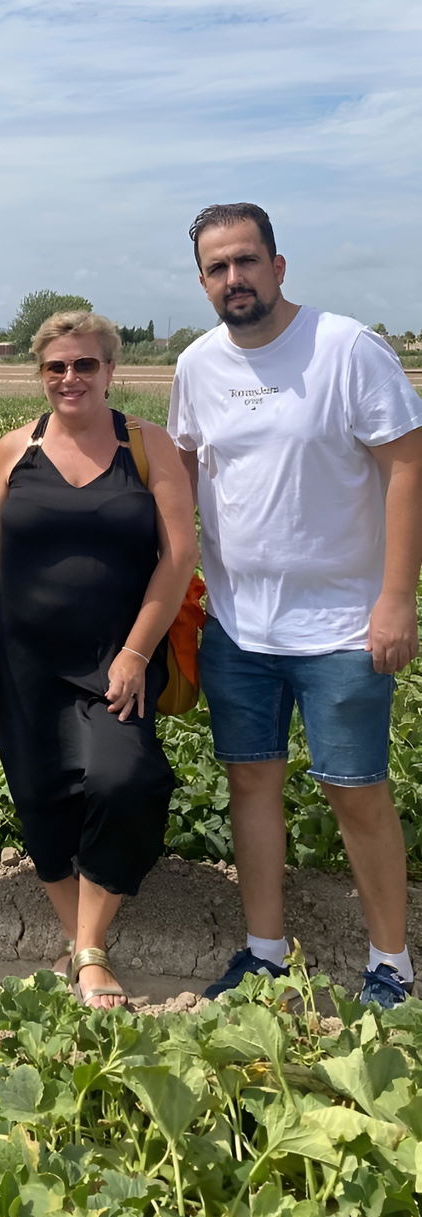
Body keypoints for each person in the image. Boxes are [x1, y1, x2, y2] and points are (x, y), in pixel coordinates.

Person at [168, 202, 422, 1006]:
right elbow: (180, 473)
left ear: (277, 267)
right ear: (203, 282)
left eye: (246, 260)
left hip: (344, 625)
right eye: (217, 267)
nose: (234, 278)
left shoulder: (346, 349)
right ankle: (266, 952)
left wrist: (397, 598)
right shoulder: (197, 365)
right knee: (251, 784)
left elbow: (407, 467)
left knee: (356, 789)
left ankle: (391, 964)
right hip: (238, 625)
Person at [0, 312, 197, 1008]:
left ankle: (87, 946)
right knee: (41, 797)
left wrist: (136, 652)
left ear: (110, 369)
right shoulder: (16, 449)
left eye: (85, 364)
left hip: (114, 658)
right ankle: (86, 946)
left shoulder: (147, 445)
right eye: (56, 367)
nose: (71, 378)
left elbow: (179, 556)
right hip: (25, 658)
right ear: (40, 374)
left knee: (127, 778)